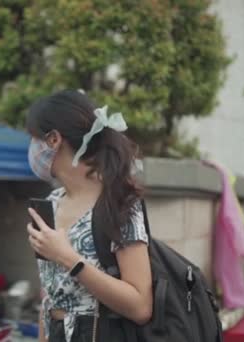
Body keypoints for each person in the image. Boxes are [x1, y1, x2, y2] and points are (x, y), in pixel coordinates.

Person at [25, 90, 153, 342]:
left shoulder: (119, 203)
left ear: (53, 140)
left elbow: (140, 307)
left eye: (34, 139)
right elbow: (49, 297)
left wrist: (67, 257)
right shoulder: (50, 204)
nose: (31, 149)